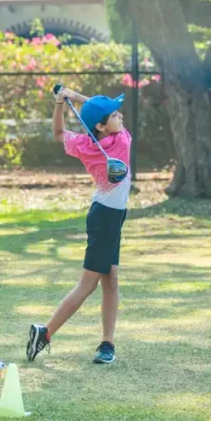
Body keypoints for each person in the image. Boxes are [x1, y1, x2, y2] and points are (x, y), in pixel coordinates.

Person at [26, 86, 131, 365]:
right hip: (106, 218)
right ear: (101, 126)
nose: (120, 116)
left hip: (108, 216)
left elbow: (59, 133)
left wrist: (61, 103)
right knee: (88, 284)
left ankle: (107, 344)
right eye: (114, 115)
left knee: (111, 280)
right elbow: (93, 117)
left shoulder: (84, 145)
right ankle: (45, 333)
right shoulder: (122, 140)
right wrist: (76, 98)